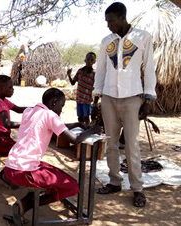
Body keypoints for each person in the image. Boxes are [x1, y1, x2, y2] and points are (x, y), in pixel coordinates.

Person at [3, 88, 100, 225]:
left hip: (11, 167)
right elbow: (74, 140)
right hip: (24, 171)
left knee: (54, 174)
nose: (61, 110)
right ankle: (24, 205)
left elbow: (58, 127)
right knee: (71, 186)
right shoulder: (50, 115)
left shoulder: (30, 111)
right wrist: (92, 130)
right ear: (54, 103)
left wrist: (77, 124)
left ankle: (24, 203)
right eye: (61, 106)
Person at [93, 2, 156, 208]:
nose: (108, 25)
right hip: (109, 97)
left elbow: (148, 69)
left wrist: (148, 98)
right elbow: (100, 69)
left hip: (132, 97)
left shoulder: (143, 37)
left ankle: (137, 188)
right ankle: (114, 181)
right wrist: (97, 95)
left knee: (131, 144)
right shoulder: (106, 41)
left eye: (111, 21)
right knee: (111, 142)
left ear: (121, 17)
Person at [67, 52, 98, 125]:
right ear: (85, 60)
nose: (89, 61)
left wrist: (95, 102)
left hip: (87, 101)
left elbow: (96, 88)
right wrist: (69, 75)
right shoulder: (80, 71)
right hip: (79, 99)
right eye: (88, 59)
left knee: (86, 118)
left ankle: (86, 132)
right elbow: (73, 83)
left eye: (92, 60)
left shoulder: (94, 74)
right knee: (80, 118)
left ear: (94, 61)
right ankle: (81, 132)